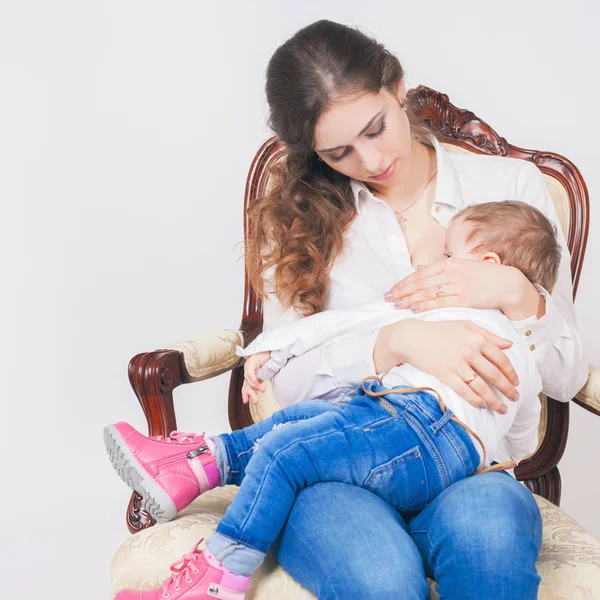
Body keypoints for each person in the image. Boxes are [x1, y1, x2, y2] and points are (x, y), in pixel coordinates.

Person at [108, 19, 587, 600]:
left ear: (398, 87)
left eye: (377, 128)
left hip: (472, 470)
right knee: (381, 579)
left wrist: (515, 292)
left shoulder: (510, 186)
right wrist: (396, 342)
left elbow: (564, 378)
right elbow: (282, 384)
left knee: (490, 541)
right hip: (335, 474)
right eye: (339, 152)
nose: (371, 159)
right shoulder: (300, 217)